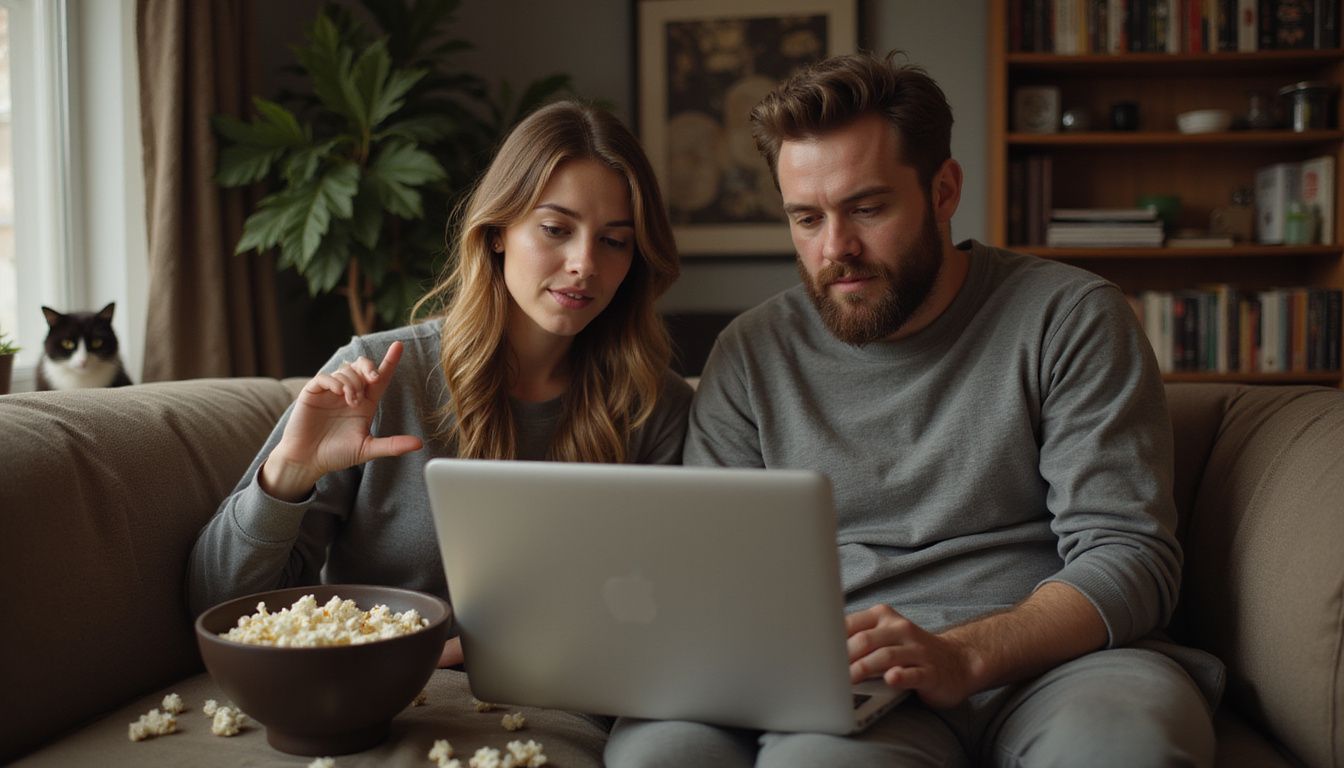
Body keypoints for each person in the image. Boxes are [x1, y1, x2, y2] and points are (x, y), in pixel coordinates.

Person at [606, 52, 1222, 767]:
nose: (835, 249)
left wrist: (963, 654)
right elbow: (718, 575)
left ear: (944, 189)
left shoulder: (1069, 317)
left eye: (867, 208)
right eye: (806, 218)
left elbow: (1131, 555)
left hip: (1065, 663)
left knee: (1125, 751)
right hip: (856, 677)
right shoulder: (750, 354)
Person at [187, 101, 694, 671]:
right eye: (556, 229)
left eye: (615, 241)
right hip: (384, 693)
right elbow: (218, 606)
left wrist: (477, 649)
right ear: (499, 231)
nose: (584, 263)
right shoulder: (379, 376)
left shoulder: (655, 404)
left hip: (571, 691)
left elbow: (675, 604)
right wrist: (288, 475)